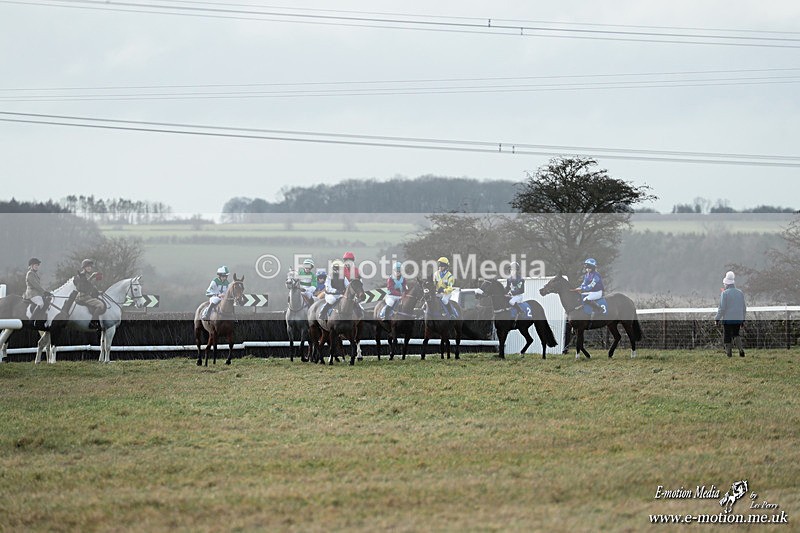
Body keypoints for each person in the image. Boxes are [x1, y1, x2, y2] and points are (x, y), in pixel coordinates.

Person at [715, 271, 747, 357]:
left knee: (727, 335)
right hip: (738, 318)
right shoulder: (740, 293)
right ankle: (741, 350)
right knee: (736, 334)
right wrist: (743, 319)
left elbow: (722, 308)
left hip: (728, 319)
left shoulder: (724, 294)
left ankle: (729, 354)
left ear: (726, 284)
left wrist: (717, 318)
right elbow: (744, 308)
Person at [73, 259, 105, 324]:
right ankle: (93, 322)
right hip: (84, 297)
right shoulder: (82, 276)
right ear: (84, 267)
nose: (89, 268)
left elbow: (86, 283)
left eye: (90, 266)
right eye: (88, 266)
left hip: (81, 295)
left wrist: (92, 276)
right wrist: (98, 292)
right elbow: (87, 287)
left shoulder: (83, 275)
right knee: (101, 305)